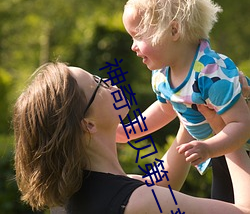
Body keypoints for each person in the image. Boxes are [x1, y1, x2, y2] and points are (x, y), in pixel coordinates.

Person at [13, 62, 250, 214]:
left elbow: (161, 184)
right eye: (98, 84)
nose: (109, 82)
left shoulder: (78, 195)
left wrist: (190, 102)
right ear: (88, 124)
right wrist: (226, 128)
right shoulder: (138, 202)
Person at [119, 0, 250, 203]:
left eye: (138, 36)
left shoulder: (210, 73)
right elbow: (165, 109)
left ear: (173, 31)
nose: (132, 47)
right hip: (220, 153)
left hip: (239, 149)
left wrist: (209, 148)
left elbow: (242, 124)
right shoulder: (162, 74)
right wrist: (128, 131)